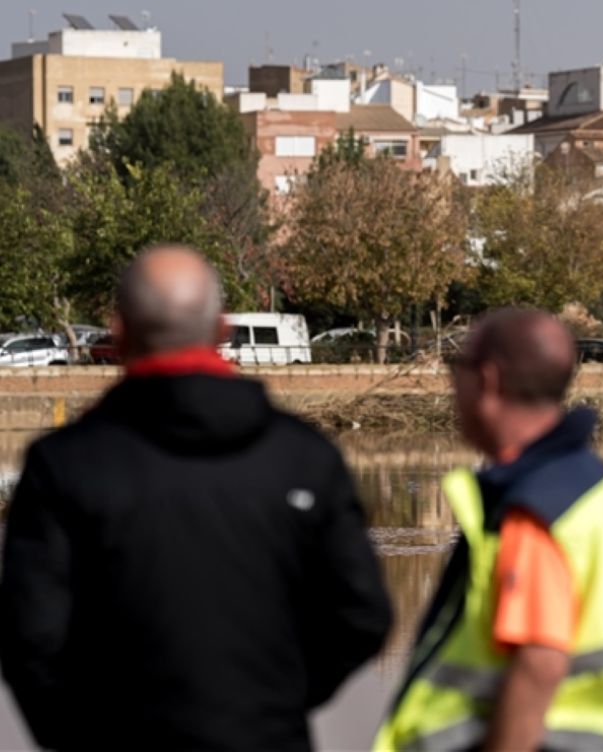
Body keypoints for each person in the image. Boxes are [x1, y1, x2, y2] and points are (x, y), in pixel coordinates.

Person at [0, 245, 393, 751]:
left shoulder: (66, 465)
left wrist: (81, 733)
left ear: (118, 333)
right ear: (222, 332)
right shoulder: (303, 458)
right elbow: (361, 615)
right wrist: (275, 700)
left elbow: (28, 634)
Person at [374, 308, 603, 752]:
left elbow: (539, 662)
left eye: (456, 369)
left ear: (489, 380)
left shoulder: (535, 501)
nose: (451, 387)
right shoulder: (593, 485)